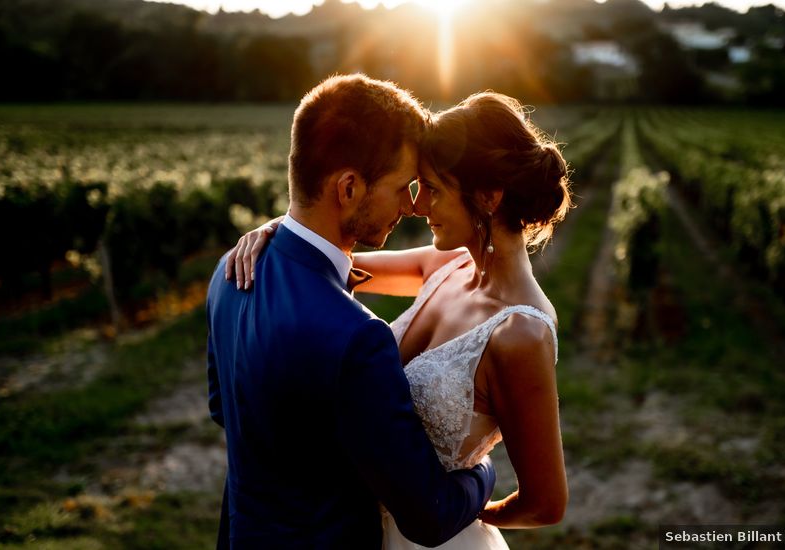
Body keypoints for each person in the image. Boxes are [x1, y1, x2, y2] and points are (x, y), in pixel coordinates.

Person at [229, 91, 569, 549]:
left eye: (433, 189)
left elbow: (545, 503)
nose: (418, 204)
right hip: (349, 528)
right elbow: (328, 259)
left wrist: (468, 509)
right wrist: (275, 231)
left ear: (488, 198)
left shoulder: (520, 334)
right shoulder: (443, 264)